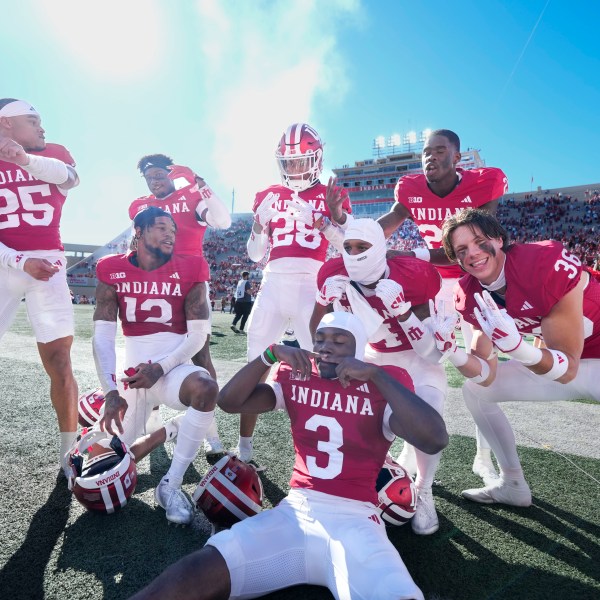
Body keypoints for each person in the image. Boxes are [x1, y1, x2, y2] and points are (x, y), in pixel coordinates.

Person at [130, 311, 448, 600]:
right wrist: (269, 354)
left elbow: (435, 439)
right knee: (199, 569)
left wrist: (377, 375)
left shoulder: (380, 384)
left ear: (358, 347)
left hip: (356, 519)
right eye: (321, 339)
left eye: (340, 341)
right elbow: (229, 401)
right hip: (295, 512)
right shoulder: (299, 375)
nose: (327, 347)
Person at [331, 129, 508, 484]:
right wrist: (349, 231)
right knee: (421, 357)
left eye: (440, 151)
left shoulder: (484, 183)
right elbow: (383, 228)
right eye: (427, 152)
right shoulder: (409, 190)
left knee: (480, 372)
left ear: (457, 158)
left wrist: (411, 253)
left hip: (472, 275)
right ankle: (412, 446)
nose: (431, 157)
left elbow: (476, 245)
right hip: (431, 283)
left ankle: (484, 456)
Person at [431, 208, 600, 506]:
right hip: (564, 362)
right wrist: (452, 351)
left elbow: (569, 369)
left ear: (498, 239)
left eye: (479, 241)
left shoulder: (541, 263)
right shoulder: (470, 293)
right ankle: (512, 483)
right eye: (461, 250)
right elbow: (486, 373)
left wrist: (517, 347)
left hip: (579, 361)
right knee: (476, 392)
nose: (472, 253)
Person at [309, 218, 446, 535]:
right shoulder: (332, 274)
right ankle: (351, 481)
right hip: (374, 355)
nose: (354, 254)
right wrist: (321, 302)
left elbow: (430, 353)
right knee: (350, 414)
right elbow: (318, 340)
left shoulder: (413, 276)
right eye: (348, 247)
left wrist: (403, 311)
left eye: (362, 247)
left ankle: (424, 490)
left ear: (380, 249)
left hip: (416, 357)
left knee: (428, 411)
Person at [93, 206, 219, 525]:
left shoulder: (191, 266)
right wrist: (110, 391)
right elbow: (103, 338)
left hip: (173, 369)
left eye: (173, 231)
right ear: (138, 231)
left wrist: (160, 369)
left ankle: (170, 485)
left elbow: (199, 335)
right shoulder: (111, 268)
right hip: (133, 376)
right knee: (109, 460)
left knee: (206, 388)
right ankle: (169, 429)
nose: (170, 235)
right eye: (162, 227)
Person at [235, 122, 351, 462]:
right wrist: (258, 224)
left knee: (323, 364)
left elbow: (351, 247)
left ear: (316, 159)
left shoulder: (332, 193)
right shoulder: (268, 194)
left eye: (301, 160)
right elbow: (255, 255)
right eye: (289, 162)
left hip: (311, 285)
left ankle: (326, 446)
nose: (295, 168)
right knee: (254, 361)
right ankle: (243, 447)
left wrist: (325, 223)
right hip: (272, 283)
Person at [129, 153, 231, 454]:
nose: (155, 181)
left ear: (171, 173)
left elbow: (223, 221)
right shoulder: (140, 206)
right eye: (149, 177)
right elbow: (135, 245)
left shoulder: (190, 194)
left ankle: (212, 437)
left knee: (200, 356)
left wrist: (200, 183)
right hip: (154, 285)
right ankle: (151, 421)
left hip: (189, 284)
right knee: (148, 351)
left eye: (159, 174)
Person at [0, 98, 80, 477]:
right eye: (32, 120)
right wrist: (18, 261)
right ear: (6, 124)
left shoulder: (53, 152)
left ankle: (69, 452)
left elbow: (70, 178)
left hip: (48, 261)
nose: (42, 128)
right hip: (4, 262)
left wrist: (24, 159)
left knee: (60, 361)